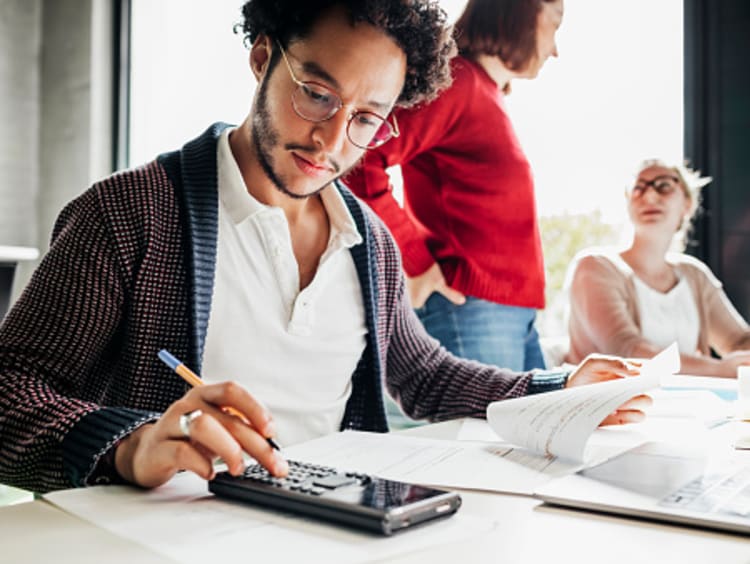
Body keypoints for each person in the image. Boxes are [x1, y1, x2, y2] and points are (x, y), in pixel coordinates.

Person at [0, 0, 647, 495]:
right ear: (261, 57)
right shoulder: (128, 213)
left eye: (367, 117)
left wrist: (557, 387)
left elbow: (423, 375)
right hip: (169, 534)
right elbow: (11, 387)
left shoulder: (368, 241)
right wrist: (129, 442)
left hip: (334, 530)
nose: (333, 140)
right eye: (317, 94)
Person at [344, 0, 563, 372]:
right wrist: (416, 262)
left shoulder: (482, 91)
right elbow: (359, 161)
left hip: (508, 313)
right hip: (473, 309)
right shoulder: (457, 83)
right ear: (520, 16)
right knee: (484, 433)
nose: (555, 49)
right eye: (554, 26)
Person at [566, 158, 750, 377]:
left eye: (664, 186)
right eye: (638, 188)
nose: (650, 196)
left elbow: (738, 340)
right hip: (614, 409)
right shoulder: (595, 267)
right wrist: (719, 369)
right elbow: (628, 353)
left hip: (690, 406)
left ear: (687, 204)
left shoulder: (695, 275)